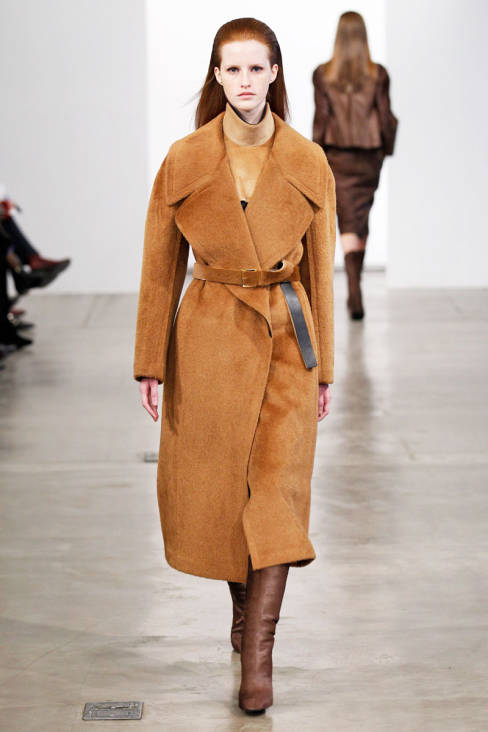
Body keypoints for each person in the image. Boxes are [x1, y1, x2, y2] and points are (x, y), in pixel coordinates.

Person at [134, 17, 336, 714]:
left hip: (286, 339)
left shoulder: (308, 160)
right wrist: (150, 362)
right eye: (233, 69)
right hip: (210, 337)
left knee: (277, 495)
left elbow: (322, 273)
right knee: (225, 492)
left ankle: (259, 657)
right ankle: (242, 609)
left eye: (257, 68)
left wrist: (324, 369)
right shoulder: (185, 159)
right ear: (216, 76)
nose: (245, 81)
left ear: (275, 73)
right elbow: (159, 266)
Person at [312, 10, 398, 319]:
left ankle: (354, 289)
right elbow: (385, 116)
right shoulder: (378, 74)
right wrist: (386, 149)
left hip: (337, 156)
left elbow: (322, 117)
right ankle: (355, 289)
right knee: (359, 218)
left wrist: (315, 155)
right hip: (368, 157)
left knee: (349, 218)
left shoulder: (323, 74)